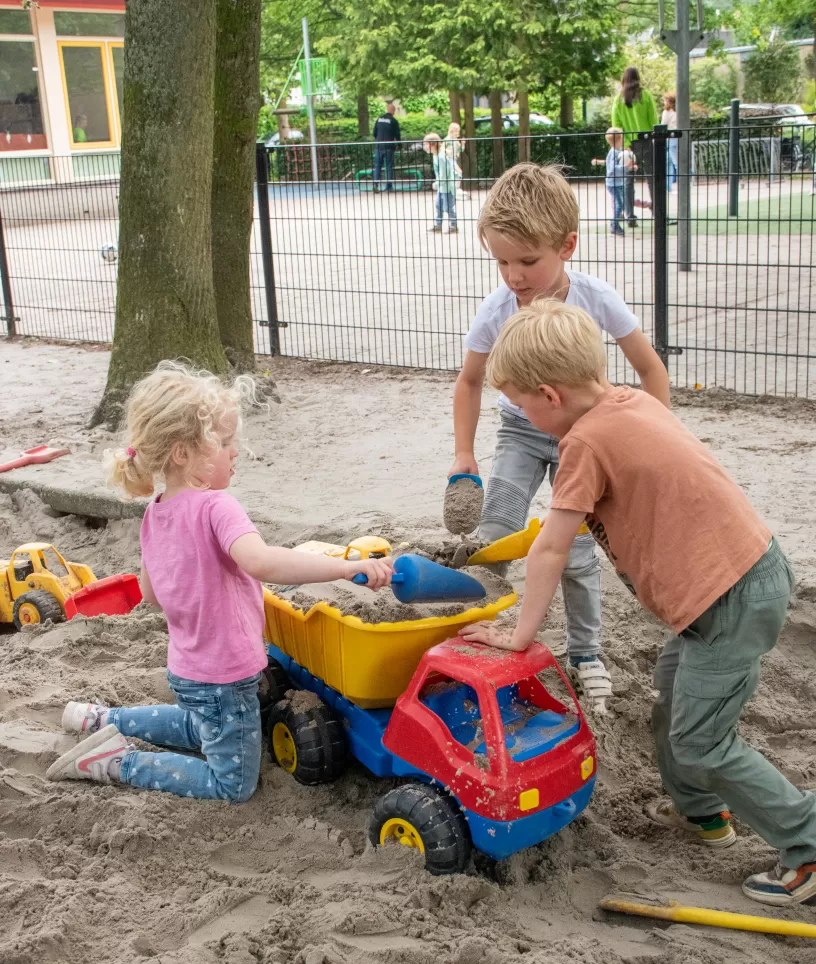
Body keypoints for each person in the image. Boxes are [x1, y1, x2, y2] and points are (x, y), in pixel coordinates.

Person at [461, 298, 816, 908]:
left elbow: (551, 549)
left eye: (520, 405)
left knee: (702, 740)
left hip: (728, 600)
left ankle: (807, 843)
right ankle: (702, 812)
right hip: (731, 585)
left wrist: (519, 635)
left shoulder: (583, 444)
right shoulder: (632, 401)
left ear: (549, 395)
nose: (522, 417)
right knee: (672, 703)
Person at [46, 362, 393, 800]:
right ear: (182, 453)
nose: (235, 452)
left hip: (187, 669)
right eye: (225, 442)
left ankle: (100, 719)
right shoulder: (216, 507)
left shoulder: (154, 510)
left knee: (198, 724)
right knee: (232, 784)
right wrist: (342, 568)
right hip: (225, 676)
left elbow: (152, 596)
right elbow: (262, 563)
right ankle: (118, 762)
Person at [449, 163, 669, 708]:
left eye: (527, 261)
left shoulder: (594, 297)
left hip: (585, 437)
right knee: (495, 532)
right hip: (521, 432)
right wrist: (463, 453)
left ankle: (586, 653)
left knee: (575, 548)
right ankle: (475, 633)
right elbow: (470, 380)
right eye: (501, 261)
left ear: (567, 245)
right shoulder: (498, 308)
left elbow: (650, 368)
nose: (514, 276)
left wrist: (656, 435)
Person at [611, 67, 657, 226]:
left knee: (628, 180)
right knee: (652, 177)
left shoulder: (619, 99)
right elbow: (653, 120)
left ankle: (629, 215)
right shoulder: (646, 96)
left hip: (628, 144)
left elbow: (616, 125)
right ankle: (657, 212)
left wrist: (625, 144)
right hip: (646, 140)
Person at [591, 127, 634, 236]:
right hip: (613, 184)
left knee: (620, 203)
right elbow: (613, 168)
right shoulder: (614, 152)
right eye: (622, 138)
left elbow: (610, 163)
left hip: (618, 182)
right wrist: (626, 167)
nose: (623, 140)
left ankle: (615, 224)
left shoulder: (617, 151)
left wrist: (630, 166)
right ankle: (614, 225)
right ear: (618, 140)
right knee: (620, 204)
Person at [423, 132, 458, 234]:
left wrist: (436, 184)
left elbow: (444, 174)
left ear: (433, 144)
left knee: (448, 207)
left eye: (426, 144)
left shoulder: (441, 157)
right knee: (438, 206)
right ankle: (438, 225)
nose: (425, 147)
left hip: (447, 187)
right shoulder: (436, 155)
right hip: (442, 187)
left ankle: (453, 225)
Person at [372, 103, 401, 192]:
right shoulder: (393, 121)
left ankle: (375, 184)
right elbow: (397, 135)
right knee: (389, 166)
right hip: (389, 146)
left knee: (377, 166)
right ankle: (389, 186)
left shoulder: (379, 119)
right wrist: (400, 145)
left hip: (379, 146)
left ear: (387, 109)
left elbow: (374, 133)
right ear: (393, 111)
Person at [662, 92, 678, 193]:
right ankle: (669, 187)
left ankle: (668, 187)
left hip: (669, 137)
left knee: (671, 162)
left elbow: (663, 124)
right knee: (672, 161)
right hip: (676, 137)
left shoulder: (667, 112)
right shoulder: (678, 111)